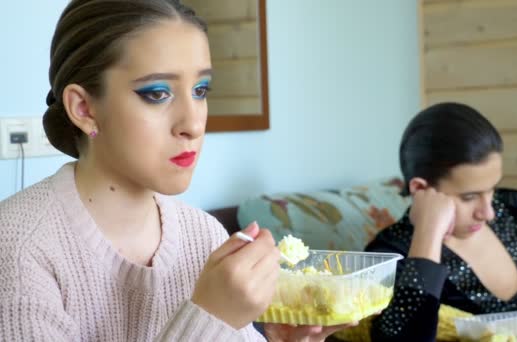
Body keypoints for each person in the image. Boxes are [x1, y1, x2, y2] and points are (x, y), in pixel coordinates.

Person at [0, 1, 353, 340]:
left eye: (200, 90)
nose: (193, 124)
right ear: (84, 108)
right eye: (157, 93)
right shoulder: (18, 246)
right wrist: (210, 318)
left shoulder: (204, 235)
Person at [365, 102, 517, 341]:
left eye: (492, 189)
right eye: (469, 197)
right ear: (420, 189)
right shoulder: (390, 254)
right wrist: (428, 235)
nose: (488, 213)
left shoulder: (512, 208)